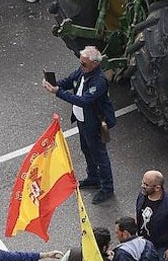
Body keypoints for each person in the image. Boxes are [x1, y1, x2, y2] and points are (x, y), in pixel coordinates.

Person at [44, 45, 115, 203]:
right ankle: (93, 177)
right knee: (87, 150)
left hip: (94, 123)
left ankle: (107, 187)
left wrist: (58, 92)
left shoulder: (99, 81)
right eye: (81, 62)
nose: (81, 65)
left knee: (99, 155)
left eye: (84, 64)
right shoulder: (82, 71)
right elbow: (69, 81)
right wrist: (54, 83)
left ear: (94, 64)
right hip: (83, 121)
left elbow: (84, 101)